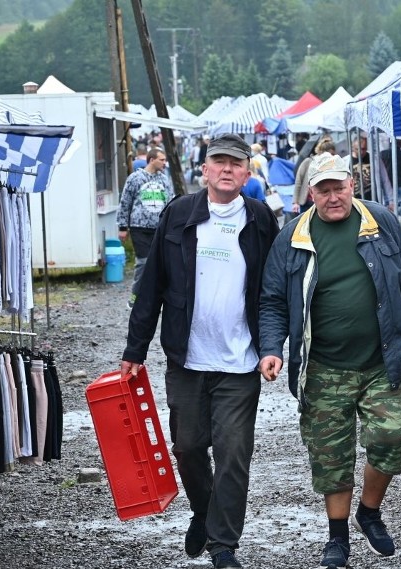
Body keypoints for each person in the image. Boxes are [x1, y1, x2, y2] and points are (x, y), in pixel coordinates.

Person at [258, 152, 401, 569]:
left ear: (353, 185)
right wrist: (271, 348)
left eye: (339, 187)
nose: (333, 197)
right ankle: (337, 537)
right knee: (331, 456)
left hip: (382, 362)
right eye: (324, 189)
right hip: (322, 368)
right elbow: (273, 300)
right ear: (310, 192)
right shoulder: (292, 237)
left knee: (393, 435)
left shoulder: (380, 221)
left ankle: (369, 511)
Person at [120, 133, 279, 569]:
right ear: (204, 169)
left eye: (236, 163)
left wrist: (272, 346)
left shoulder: (261, 220)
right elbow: (150, 285)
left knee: (232, 453)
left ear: (248, 173)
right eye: (219, 162)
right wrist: (135, 348)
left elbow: (273, 291)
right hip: (186, 358)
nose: (227, 169)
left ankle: (223, 544)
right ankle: (202, 511)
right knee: (188, 447)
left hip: (240, 361)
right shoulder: (178, 214)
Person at [116, 147, 175, 308]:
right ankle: (135, 296)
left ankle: (157, 297)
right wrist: (122, 226)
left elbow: (170, 203)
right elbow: (125, 202)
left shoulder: (164, 179)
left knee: (161, 264)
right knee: (143, 263)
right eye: (161, 160)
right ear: (151, 160)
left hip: (159, 228)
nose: (164, 163)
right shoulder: (135, 178)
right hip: (139, 227)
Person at [292, 138, 336, 218]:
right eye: (331, 154)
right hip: (306, 201)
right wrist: (295, 202)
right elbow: (298, 181)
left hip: (321, 201)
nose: (331, 156)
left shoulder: (332, 164)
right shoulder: (308, 162)